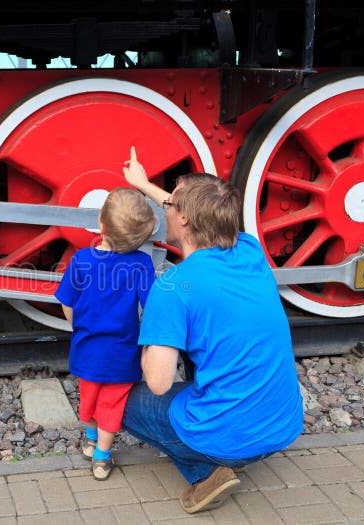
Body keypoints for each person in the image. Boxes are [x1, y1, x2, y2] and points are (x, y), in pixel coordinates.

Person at [121, 146, 303, 513]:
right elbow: (196, 211)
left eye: (169, 206)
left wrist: (147, 333)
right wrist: (143, 185)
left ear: (184, 219)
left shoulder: (174, 286)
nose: (165, 208)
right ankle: (222, 446)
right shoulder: (250, 249)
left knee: (119, 403)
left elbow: (158, 383)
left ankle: (205, 471)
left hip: (230, 437)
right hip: (283, 426)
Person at [55, 187, 157, 481]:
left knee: (88, 394)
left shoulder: (81, 260)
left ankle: (90, 438)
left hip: (86, 346)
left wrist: (78, 327)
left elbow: (67, 302)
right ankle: (101, 458)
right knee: (111, 404)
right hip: (123, 351)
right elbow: (150, 306)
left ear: (101, 224)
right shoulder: (140, 263)